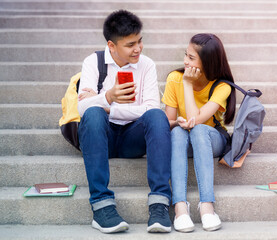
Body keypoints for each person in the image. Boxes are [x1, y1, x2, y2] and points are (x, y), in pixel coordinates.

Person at [77, 10, 172, 234]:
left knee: (158, 117)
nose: (137, 48)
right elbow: (82, 109)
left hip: (132, 139)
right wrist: (108, 96)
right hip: (102, 137)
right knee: (92, 114)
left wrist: (108, 106)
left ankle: (159, 204)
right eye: (130, 45)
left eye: (140, 41)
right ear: (112, 45)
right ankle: (102, 206)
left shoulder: (146, 64)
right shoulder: (93, 62)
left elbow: (151, 109)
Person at [162, 33, 236, 232]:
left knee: (198, 131)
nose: (185, 61)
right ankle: (180, 207)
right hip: (182, 141)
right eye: (186, 55)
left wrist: (187, 84)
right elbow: (168, 121)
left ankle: (207, 205)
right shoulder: (174, 78)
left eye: (191, 58)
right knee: (177, 133)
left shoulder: (222, 86)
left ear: (207, 62)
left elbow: (196, 120)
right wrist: (176, 122)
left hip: (211, 139)